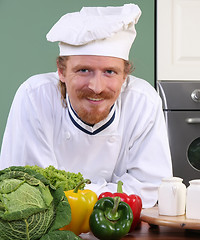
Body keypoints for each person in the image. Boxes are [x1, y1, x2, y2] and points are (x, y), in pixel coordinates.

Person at [0, 4, 173, 208]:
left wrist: (74, 195)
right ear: (61, 71)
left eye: (109, 72)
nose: (96, 87)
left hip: (118, 229)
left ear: (125, 75)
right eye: (83, 70)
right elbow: (29, 191)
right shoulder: (34, 97)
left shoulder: (143, 102)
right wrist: (112, 192)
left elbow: (150, 189)